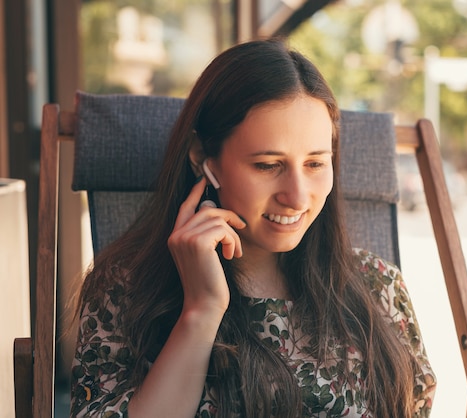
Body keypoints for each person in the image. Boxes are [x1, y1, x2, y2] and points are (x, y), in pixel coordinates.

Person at [70, 38, 436, 418]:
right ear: (203, 159)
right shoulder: (126, 289)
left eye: (315, 164)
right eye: (267, 165)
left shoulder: (378, 286)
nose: (296, 197)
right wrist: (201, 310)